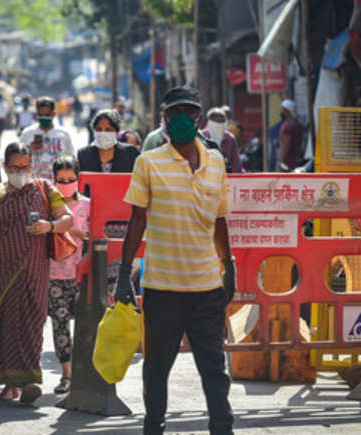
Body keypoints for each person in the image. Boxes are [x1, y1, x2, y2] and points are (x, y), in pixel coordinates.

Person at [115, 86, 235, 435]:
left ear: (198, 117)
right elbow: (137, 220)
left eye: (189, 111)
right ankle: (153, 428)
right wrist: (124, 274)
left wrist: (230, 265)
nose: (182, 118)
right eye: (174, 112)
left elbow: (220, 220)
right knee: (156, 370)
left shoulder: (216, 162)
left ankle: (222, 428)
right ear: (164, 119)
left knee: (214, 370)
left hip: (207, 287)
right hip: (162, 289)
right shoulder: (148, 162)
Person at [0, 142, 74, 403]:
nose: (20, 171)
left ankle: (27, 381)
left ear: (32, 166)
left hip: (32, 271)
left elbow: (67, 219)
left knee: (30, 323)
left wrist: (48, 226)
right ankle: (8, 385)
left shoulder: (44, 189)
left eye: (25, 167)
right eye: (15, 167)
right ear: (5, 167)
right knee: (3, 325)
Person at [48, 156, 89, 395]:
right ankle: (67, 374)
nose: (65, 183)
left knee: (85, 325)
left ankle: (83, 373)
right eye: (61, 180)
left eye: (70, 179)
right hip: (54, 274)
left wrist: (71, 228)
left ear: (78, 178)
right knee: (59, 323)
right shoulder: (48, 206)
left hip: (81, 274)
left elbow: (96, 236)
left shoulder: (89, 205)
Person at [19, 96, 75, 180]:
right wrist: (29, 150)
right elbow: (17, 159)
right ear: (37, 114)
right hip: (33, 183)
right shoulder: (27, 133)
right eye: (41, 115)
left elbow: (72, 159)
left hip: (57, 184)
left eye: (47, 115)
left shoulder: (63, 134)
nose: (44, 117)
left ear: (54, 114)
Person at [78, 109, 139, 174]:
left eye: (108, 130)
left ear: (117, 132)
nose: (103, 133)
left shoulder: (130, 153)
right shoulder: (83, 155)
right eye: (99, 129)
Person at [200, 107, 243, 173]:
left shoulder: (230, 138)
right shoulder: (201, 137)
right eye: (215, 120)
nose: (218, 124)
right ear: (209, 122)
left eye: (221, 121)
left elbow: (236, 162)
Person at [278, 99, 303, 172]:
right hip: (295, 161)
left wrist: (281, 162)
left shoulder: (288, 126)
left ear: (287, 111)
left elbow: (286, 145)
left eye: (282, 110)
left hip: (288, 163)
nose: (280, 112)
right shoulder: (296, 123)